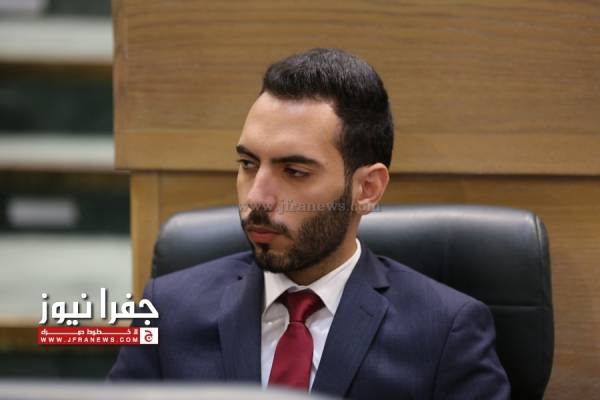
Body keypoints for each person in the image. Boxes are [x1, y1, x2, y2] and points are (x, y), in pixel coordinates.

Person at [109, 48, 510, 399]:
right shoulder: (168, 309)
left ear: (367, 189)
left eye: (295, 172)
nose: (257, 198)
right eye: (248, 164)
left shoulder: (446, 333)